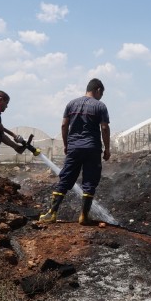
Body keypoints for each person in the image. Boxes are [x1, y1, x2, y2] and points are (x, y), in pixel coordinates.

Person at [39, 78, 111, 225]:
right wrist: (107, 148)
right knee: (90, 181)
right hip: (92, 148)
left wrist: (66, 144)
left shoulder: (71, 104)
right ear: (98, 90)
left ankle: (51, 214)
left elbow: (64, 126)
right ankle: (84, 216)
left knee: (65, 179)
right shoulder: (100, 106)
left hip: (74, 147)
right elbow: (104, 128)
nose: (101, 96)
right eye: (101, 93)